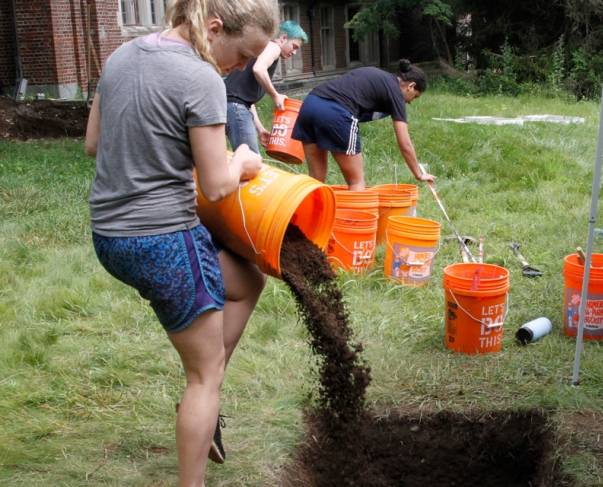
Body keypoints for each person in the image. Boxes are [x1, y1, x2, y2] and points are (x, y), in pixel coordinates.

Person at [84, 0, 277, 484]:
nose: (242, 68)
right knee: (204, 377)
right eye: (243, 55)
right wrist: (244, 163)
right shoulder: (201, 76)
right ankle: (201, 404)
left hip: (109, 236)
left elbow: (93, 143)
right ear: (214, 28)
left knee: (247, 282)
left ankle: (201, 399)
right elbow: (215, 186)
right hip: (162, 241)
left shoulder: (121, 55)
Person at [291, 59, 436, 190]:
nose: (410, 102)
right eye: (415, 97)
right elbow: (405, 144)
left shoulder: (379, 76)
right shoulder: (396, 93)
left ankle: (300, 218)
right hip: (336, 112)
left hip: (310, 104)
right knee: (356, 182)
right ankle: (355, 220)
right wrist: (418, 174)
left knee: (315, 178)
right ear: (411, 86)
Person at [224, 20, 308, 153]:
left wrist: (260, 128)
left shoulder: (264, 49)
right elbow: (259, 69)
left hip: (231, 105)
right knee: (250, 160)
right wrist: (275, 96)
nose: (294, 52)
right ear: (283, 38)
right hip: (234, 107)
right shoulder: (274, 47)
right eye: (294, 46)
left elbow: (245, 98)